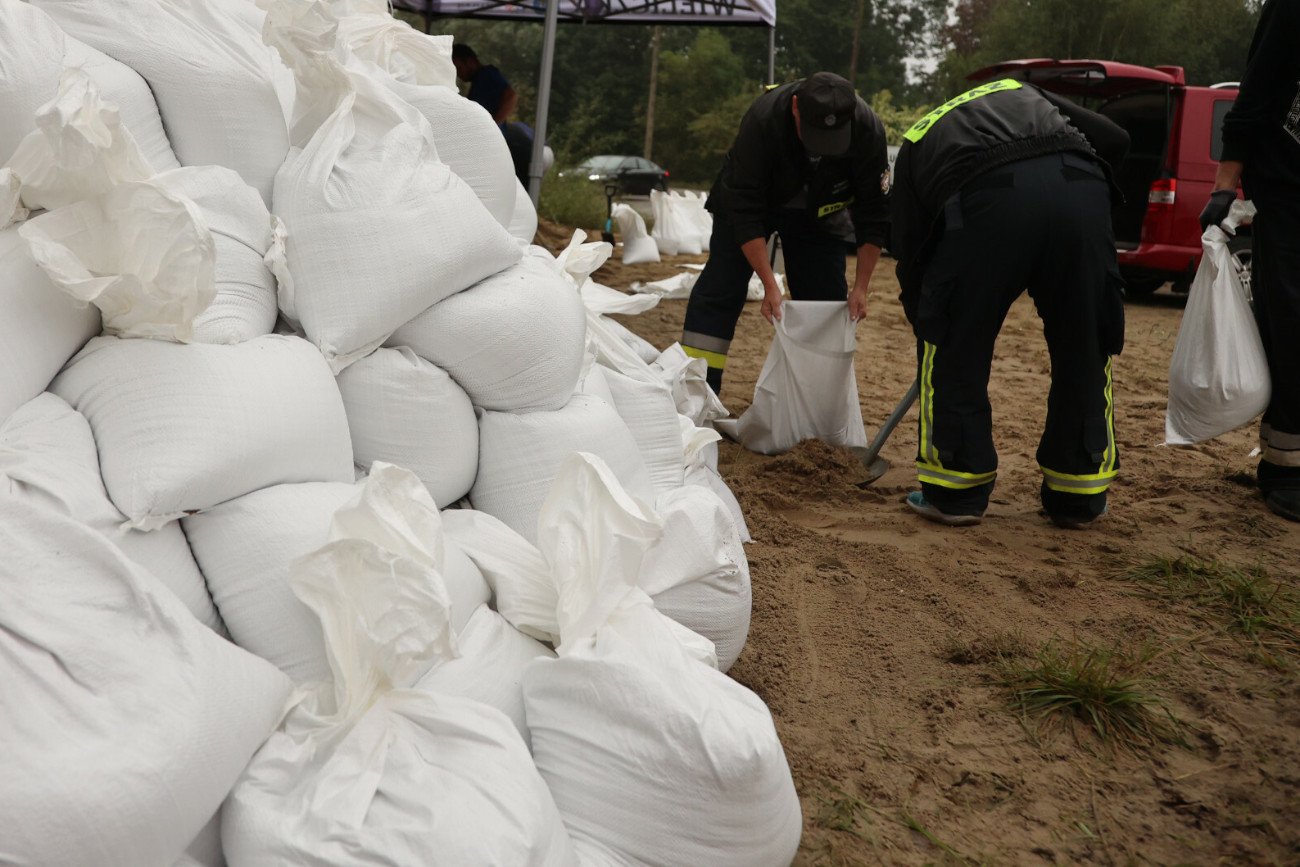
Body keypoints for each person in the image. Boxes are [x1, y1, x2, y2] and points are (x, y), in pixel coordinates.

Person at [889, 79, 1130, 529]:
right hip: (1081, 185)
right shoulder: (1024, 91)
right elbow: (1116, 139)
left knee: (955, 344)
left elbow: (910, 250)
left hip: (987, 199)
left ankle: (955, 490)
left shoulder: (918, 137)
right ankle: (1080, 495)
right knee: (1086, 340)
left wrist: (930, 323)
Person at [680, 72, 891, 395]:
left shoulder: (868, 130)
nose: (822, 147)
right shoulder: (763, 120)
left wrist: (861, 287)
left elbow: (873, 214)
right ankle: (697, 391)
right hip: (753, 201)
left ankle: (814, 399)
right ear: (795, 109)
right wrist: (768, 284)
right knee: (722, 286)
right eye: (815, 134)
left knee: (824, 302)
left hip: (821, 212)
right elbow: (745, 210)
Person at [1200, 0, 1300, 523]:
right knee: (1290, 324)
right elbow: (1259, 89)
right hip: (1289, 191)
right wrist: (1224, 184)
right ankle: (1286, 468)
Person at [451, 43, 531, 185]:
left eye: (459, 68)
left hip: (490, 143)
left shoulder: (487, 74)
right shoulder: (479, 81)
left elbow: (511, 95)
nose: (459, 74)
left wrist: (494, 124)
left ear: (470, 61)